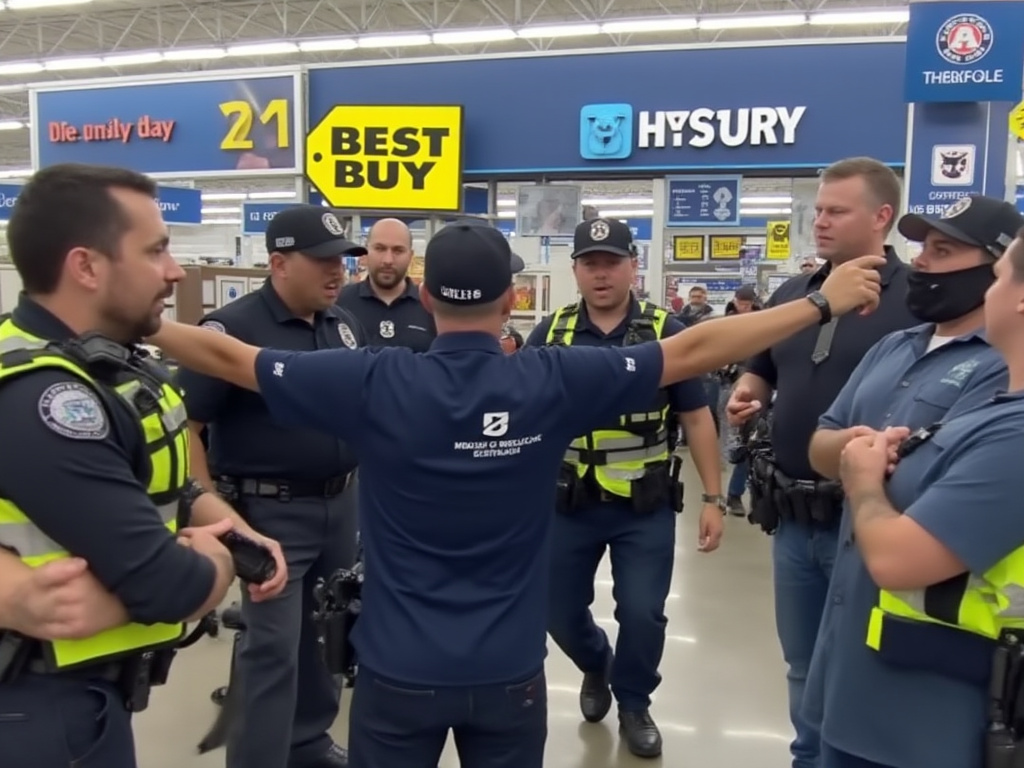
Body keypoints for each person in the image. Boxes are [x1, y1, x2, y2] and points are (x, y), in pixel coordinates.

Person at [144, 217, 884, 768]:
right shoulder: (552, 378)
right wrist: (819, 304)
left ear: (427, 295)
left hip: (397, 673)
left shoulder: (370, 379)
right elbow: (692, 350)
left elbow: (227, 356)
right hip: (509, 674)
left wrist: (136, 320)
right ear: (512, 299)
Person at [0, 162, 286, 768]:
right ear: (86, 266)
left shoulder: (109, 370)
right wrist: (215, 557)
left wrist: (229, 526)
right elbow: (166, 585)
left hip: (90, 698)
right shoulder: (46, 401)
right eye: (156, 250)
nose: (175, 270)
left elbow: (169, 485)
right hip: (40, 709)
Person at [804, 197, 1024, 768]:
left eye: (943, 250)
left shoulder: (1008, 416)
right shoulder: (897, 346)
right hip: (857, 661)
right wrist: (864, 463)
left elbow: (903, 556)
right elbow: (825, 440)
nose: (921, 262)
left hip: (939, 701)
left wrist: (866, 482)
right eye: (922, 246)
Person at [724, 156, 919, 768]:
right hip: (791, 513)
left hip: (866, 519)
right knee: (801, 661)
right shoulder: (795, 292)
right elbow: (767, 362)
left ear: (881, 217)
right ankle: (808, 757)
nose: (821, 222)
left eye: (838, 211)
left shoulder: (915, 299)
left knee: (865, 661)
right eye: (819, 210)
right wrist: (751, 388)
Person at [525, 217, 725, 758]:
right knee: (555, 610)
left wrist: (713, 498)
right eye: (590, 263)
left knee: (642, 610)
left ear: (632, 267)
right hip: (568, 503)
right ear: (576, 271)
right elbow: (526, 417)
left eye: (611, 262)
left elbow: (698, 418)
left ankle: (634, 702)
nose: (601, 273)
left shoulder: (669, 331)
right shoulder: (551, 333)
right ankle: (597, 666)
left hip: (644, 504)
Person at [178, 203, 367, 768]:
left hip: (341, 503)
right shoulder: (232, 329)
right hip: (269, 514)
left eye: (343, 260)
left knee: (327, 638)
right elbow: (189, 426)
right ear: (279, 263)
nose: (339, 271)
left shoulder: (343, 325)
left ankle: (307, 743)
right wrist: (214, 515)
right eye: (323, 261)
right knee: (273, 651)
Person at [335, 217, 437, 351]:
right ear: (366, 253)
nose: (388, 260)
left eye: (398, 250)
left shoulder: (431, 307)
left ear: (410, 256)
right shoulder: (338, 304)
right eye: (380, 249)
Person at [721, 285, 762, 515]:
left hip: (766, 383)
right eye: (742, 302)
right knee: (746, 443)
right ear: (735, 301)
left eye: (749, 303)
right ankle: (734, 494)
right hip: (737, 383)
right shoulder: (726, 322)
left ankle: (760, 499)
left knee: (764, 445)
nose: (745, 307)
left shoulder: (764, 319)